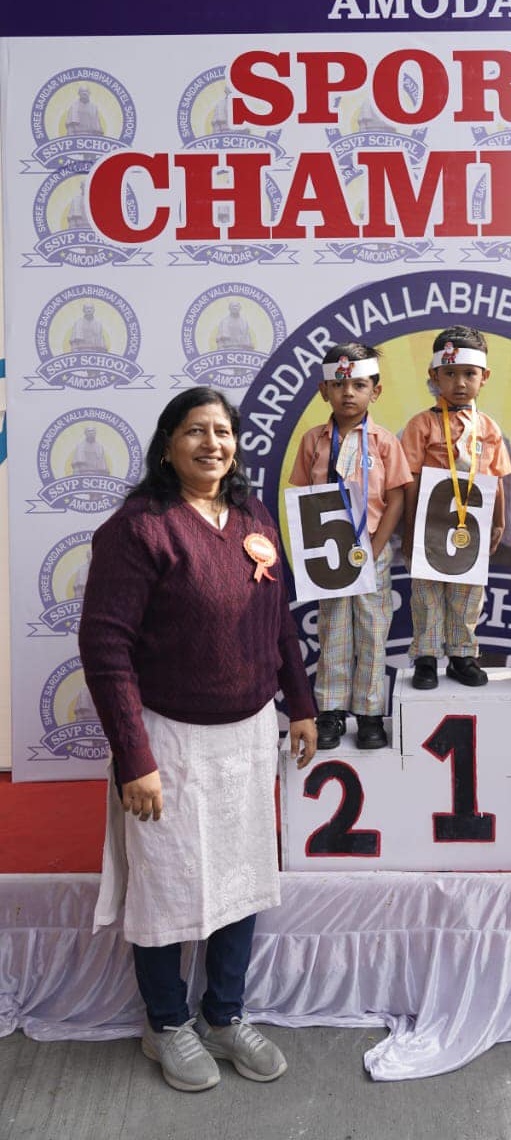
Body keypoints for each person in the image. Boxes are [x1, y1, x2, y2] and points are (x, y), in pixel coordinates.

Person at [79, 387, 317, 1094]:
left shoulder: (252, 516)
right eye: (194, 431)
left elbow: (278, 622)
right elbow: (106, 647)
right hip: (168, 743)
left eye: (222, 432)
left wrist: (300, 704)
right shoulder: (137, 529)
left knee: (241, 878)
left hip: (249, 735)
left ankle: (224, 1015)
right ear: (166, 446)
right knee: (165, 883)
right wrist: (135, 757)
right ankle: (165, 1025)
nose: (212, 443)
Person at [289, 343, 412, 750]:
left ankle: (370, 713)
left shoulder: (384, 442)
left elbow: (396, 497)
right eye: (339, 385)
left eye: (359, 385)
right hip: (330, 555)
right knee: (334, 630)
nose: (348, 393)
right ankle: (330, 710)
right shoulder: (313, 441)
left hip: (372, 551)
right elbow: (303, 498)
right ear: (323, 390)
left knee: (373, 631)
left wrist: (376, 546)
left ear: (375, 391)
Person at [401, 326, 511, 690]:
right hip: (429, 526)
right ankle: (427, 657)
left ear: (485, 377)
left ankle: (463, 655)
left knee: (468, 594)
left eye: (469, 374)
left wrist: (498, 523)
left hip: (472, 527)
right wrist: (409, 529)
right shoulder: (421, 425)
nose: (460, 383)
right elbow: (410, 480)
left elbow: (497, 479)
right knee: (427, 594)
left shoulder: (489, 428)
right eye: (449, 373)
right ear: (434, 376)